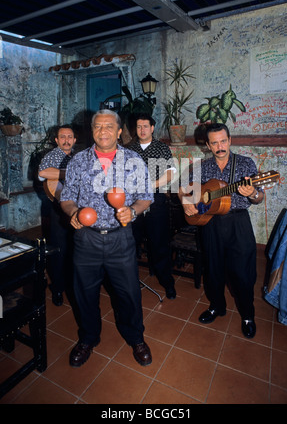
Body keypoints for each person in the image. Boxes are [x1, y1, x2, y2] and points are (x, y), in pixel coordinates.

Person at [60, 109, 153, 368]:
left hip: (120, 238)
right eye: (98, 127)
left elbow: (147, 196)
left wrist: (133, 210)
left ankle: (136, 338)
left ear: (120, 131)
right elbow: (66, 197)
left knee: (129, 293)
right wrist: (73, 212)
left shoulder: (133, 160)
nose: (103, 131)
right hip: (86, 239)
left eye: (109, 126)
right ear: (92, 131)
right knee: (84, 293)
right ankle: (88, 338)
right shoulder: (78, 161)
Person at [178, 123, 264, 338]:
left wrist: (253, 192)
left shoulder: (245, 164)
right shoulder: (201, 167)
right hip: (210, 223)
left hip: (238, 223)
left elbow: (260, 197)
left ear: (230, 140)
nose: (220, 146)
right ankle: (217, 306)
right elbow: (183, 188)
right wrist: (186, 201)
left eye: (223, 141)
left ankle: (247, 315)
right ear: (207, 145)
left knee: (243, 274)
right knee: (213, 270)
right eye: (214, 142)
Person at [128, 113, 176, 299]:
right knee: (130, 244)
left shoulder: (161, 148)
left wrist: (149, 185)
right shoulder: (128, 149)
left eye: (145, 126)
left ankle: (167, 283)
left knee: (159, 245)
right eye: (139, 126)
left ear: (152, 128)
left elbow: (170, 174)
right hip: (132, 202)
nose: (142, 130)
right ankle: (129, 283)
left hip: (156, 201)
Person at [38, 125, 76, 306]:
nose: (66, 140)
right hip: (57, 208)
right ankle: (58, 288)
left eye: (70, 136)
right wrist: (68, 173)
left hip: (76, 206)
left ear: (74, 140)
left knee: (74, 247)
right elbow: (43, 173)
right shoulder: (53, 155)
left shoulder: (78, 157)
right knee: (59, 249)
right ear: (56, 140)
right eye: (63, 137)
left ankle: (73, 283)